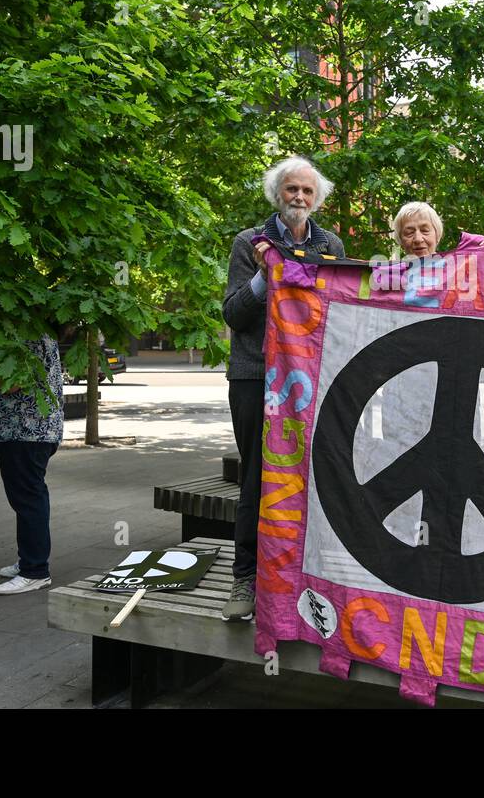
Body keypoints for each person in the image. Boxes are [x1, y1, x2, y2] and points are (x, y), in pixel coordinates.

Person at [221, 156, 345, 621]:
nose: (299, 197)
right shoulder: (247, 243)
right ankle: (245, 579)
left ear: (317, 199)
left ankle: (299, 577)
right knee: (257, 480)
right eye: (291, 189)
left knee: (312, 478)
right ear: (277, 195)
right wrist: (263, 275)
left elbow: (339, 306)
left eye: (307, 192)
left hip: (310, 379)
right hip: (256, 377)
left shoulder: (330, 244)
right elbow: (234, 314)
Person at [0, 335, 65, 595]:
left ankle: (35, 570)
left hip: (25, 432)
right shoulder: (39, 335)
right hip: (28, 432)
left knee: (28, 499)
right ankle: (29, 560)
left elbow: (10, 384)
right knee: (27, 498)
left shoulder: (26, 340)